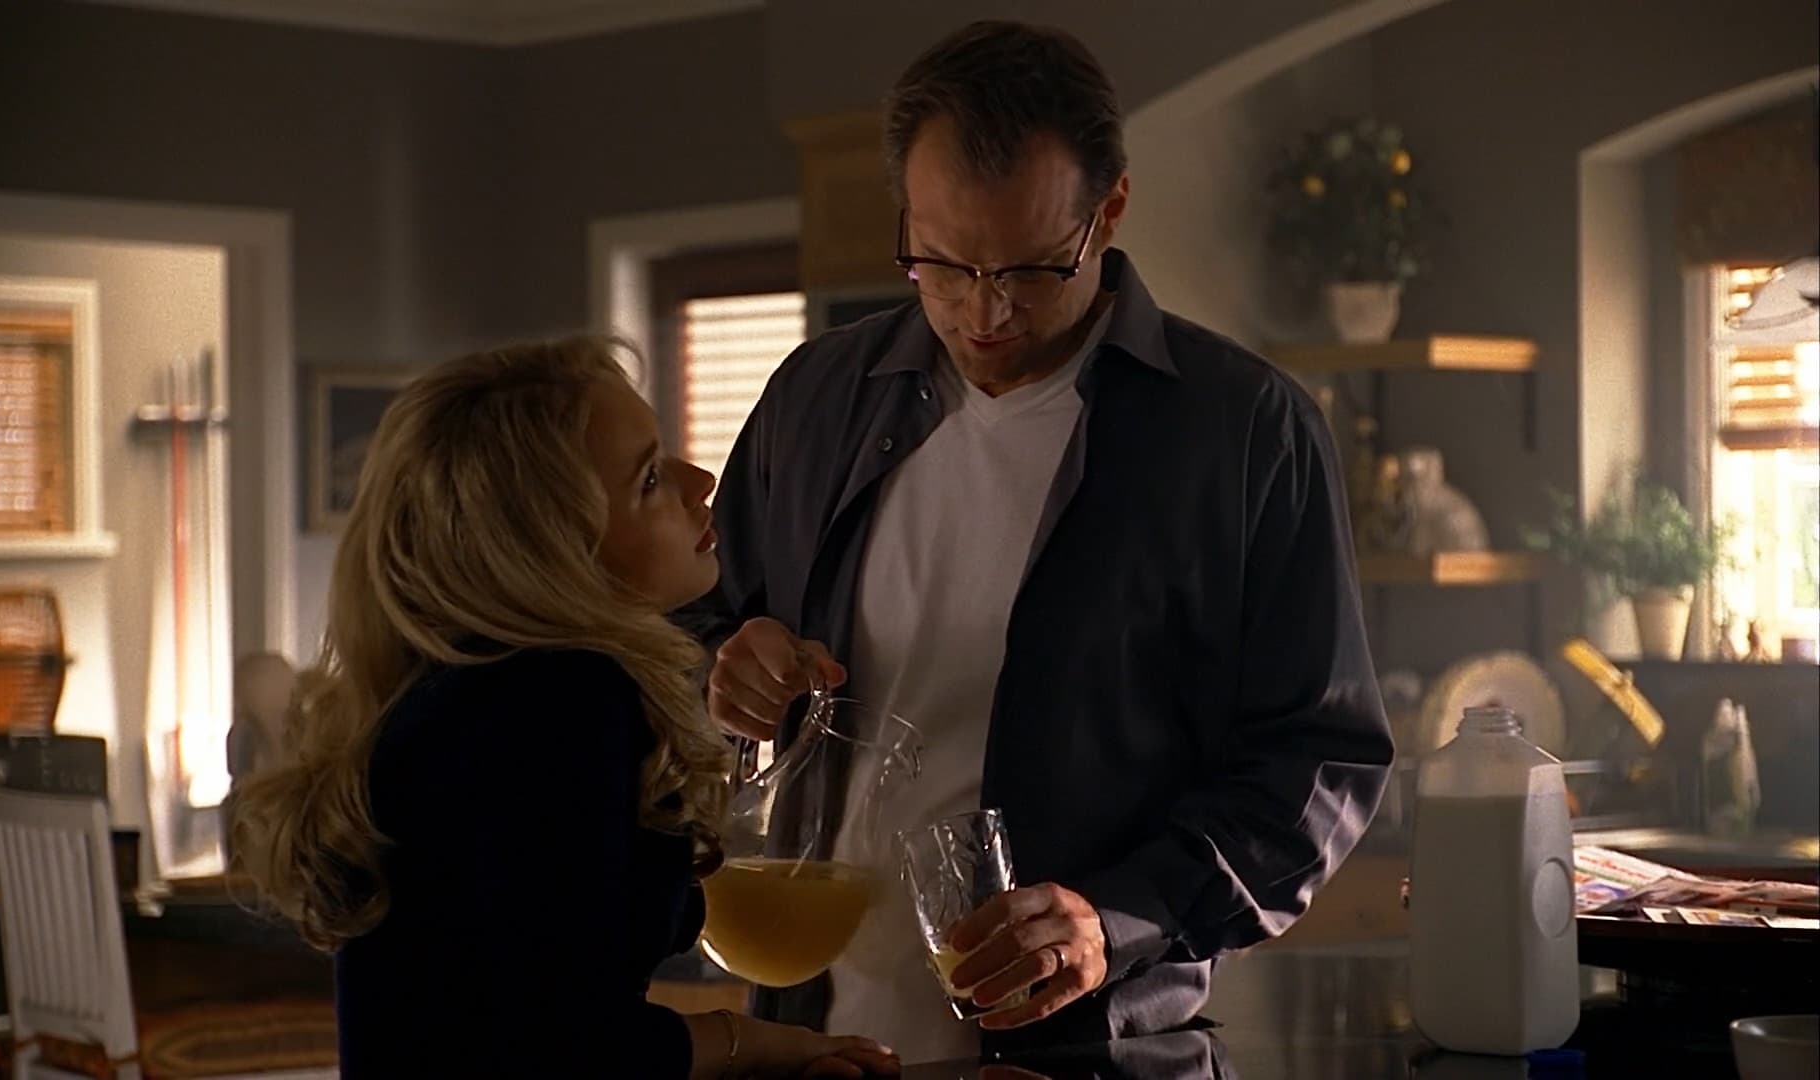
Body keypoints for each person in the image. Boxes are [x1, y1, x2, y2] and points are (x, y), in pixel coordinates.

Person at [677, 21, 1394, 1065]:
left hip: (1093, 1051)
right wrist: (720, 665)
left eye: (1029, 269)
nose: (986, 310)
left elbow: (1318, 766)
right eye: (941, 264)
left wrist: (1116, 919)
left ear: (1110, 210)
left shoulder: (1246, 433)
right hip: (810, 1042)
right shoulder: (813, 398)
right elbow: (685, 626)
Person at [230, 339, 900, 1078]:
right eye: (649, 478)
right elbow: (567, 1048)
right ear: (553, 549)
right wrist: (754, 1045)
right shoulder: (559, 705)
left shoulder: (460, 692)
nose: (700, 480)